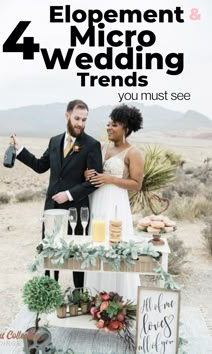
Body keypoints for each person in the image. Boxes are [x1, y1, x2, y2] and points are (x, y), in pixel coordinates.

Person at [11, 99, 103, 288]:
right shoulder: (54, 141)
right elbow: (39, 166)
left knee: (78, 257)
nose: (80, 123)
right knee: (51, 255)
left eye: (84, 120)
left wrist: (69, 194)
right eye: (77, 118)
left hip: (78, 212)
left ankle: (80, 296)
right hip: (51, 209)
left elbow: (94, 181)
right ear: (67, 115)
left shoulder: (92, 145)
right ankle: (49, 295)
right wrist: (19, 150)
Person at [84, 104, 144, 303]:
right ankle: (96, 298)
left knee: (115, 246)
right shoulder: (101, 147)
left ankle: (120, 301)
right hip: (97, 201)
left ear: (126, 128)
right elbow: (93, 172)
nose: (109, 128)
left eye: (115, 125)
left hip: (116, 204)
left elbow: (136, 184)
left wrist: (110, 179)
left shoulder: (133, 152)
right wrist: (88, 174)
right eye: (108, 124)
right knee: (96, 245)